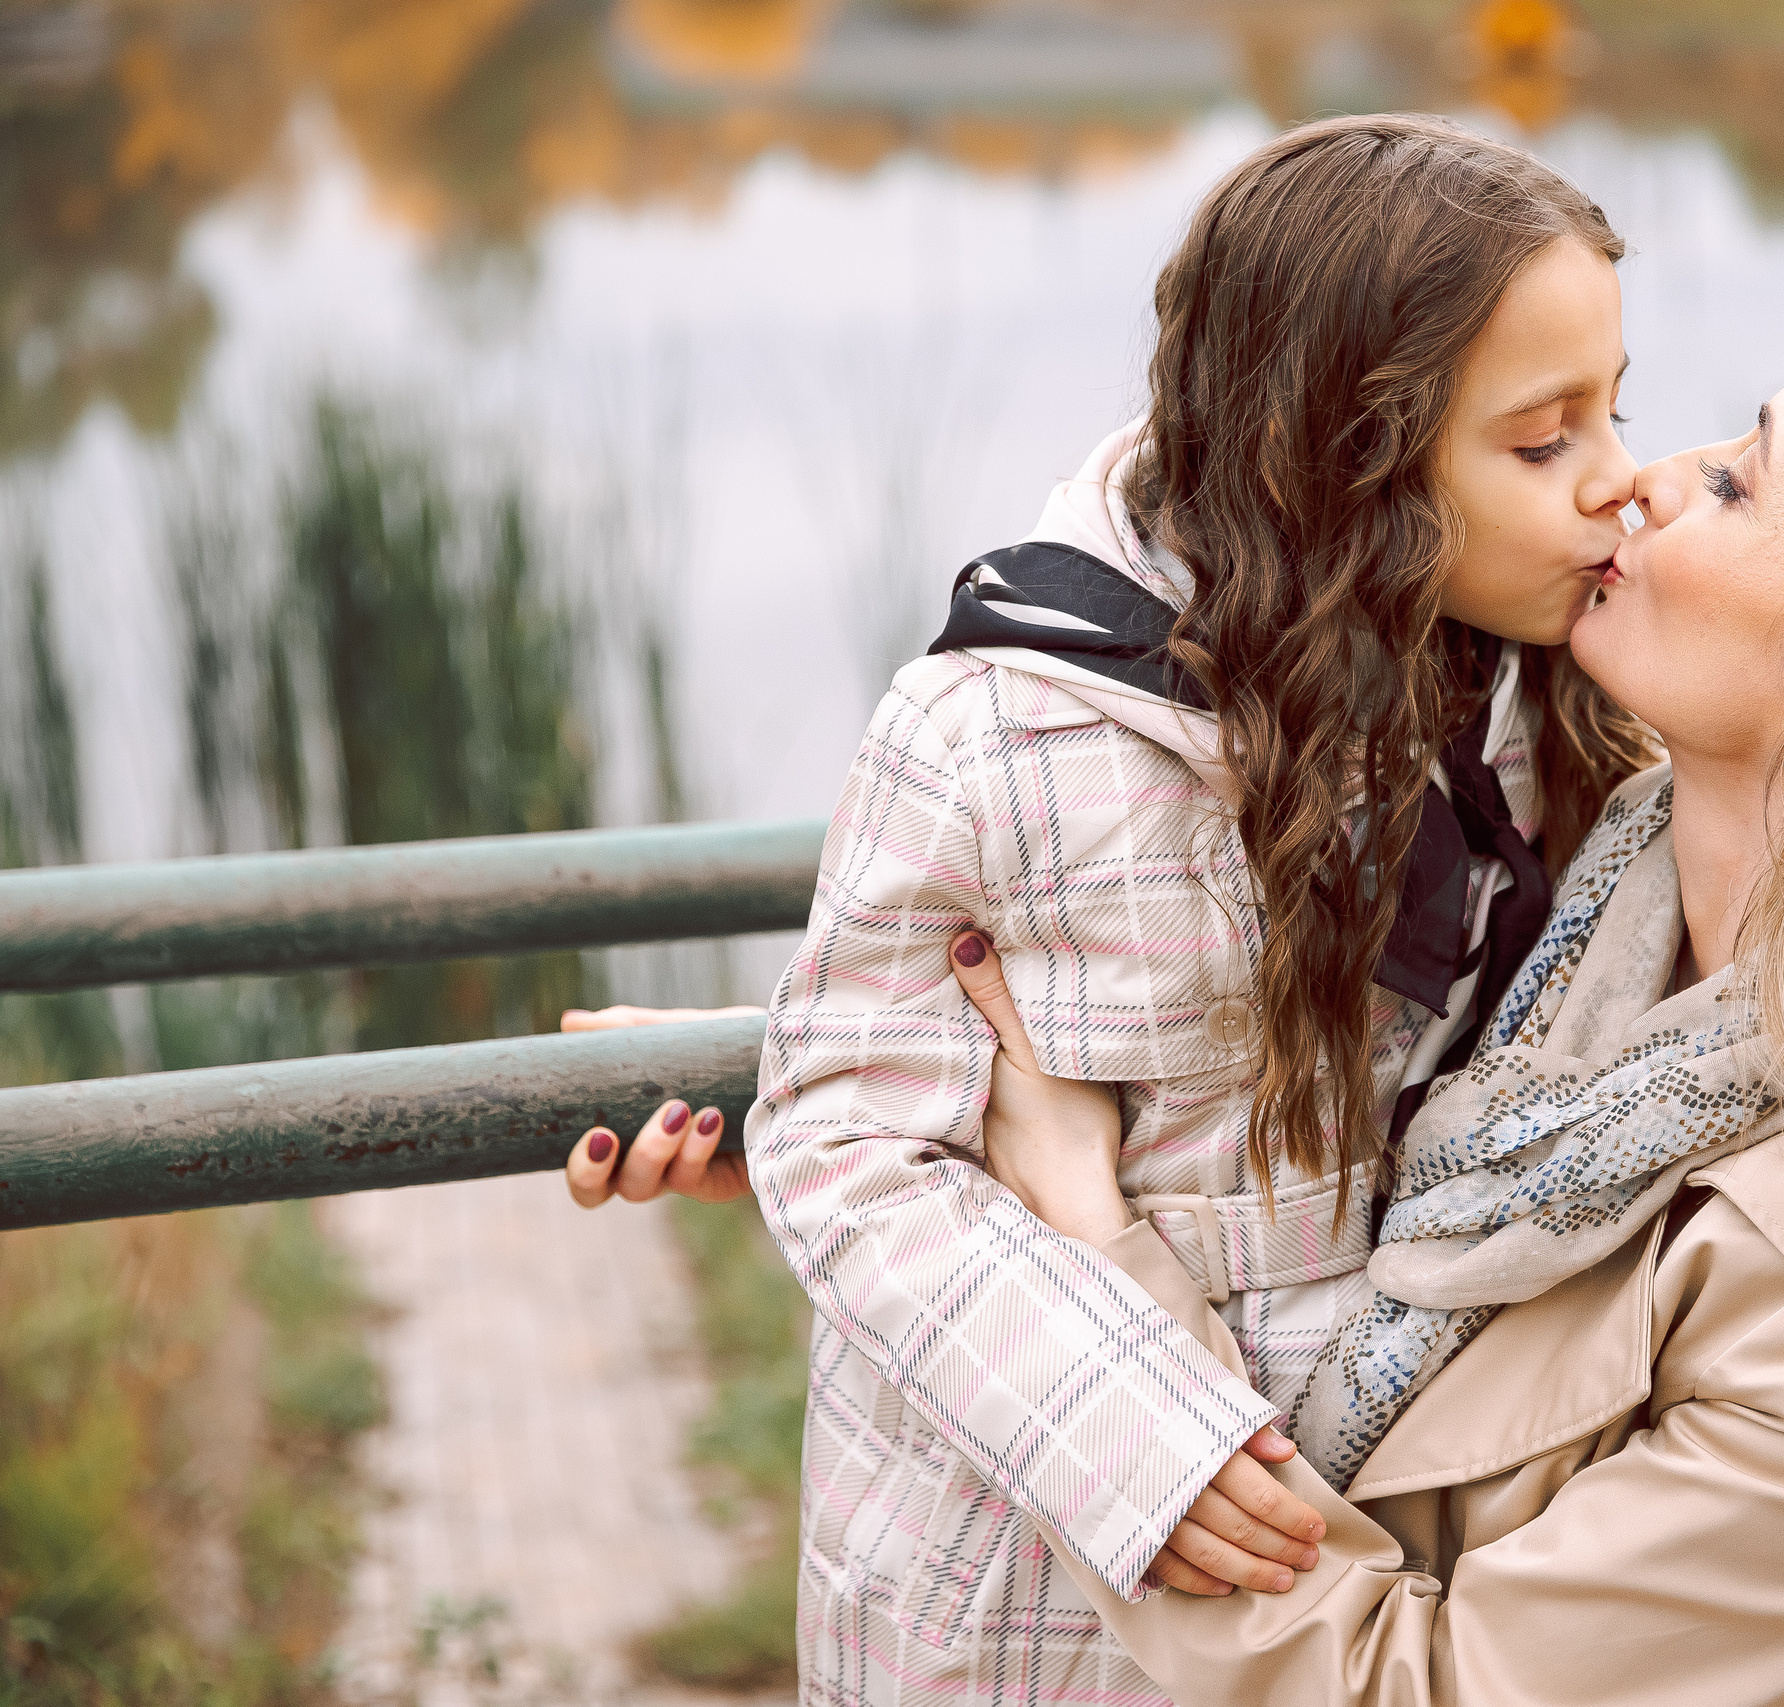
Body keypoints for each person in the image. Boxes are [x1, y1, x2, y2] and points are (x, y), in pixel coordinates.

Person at [938, 290, 1784, 1706]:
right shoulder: (1565, 908)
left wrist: (1079, 1251)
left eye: (1738, 481)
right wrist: (848, 1111)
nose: (1642, 479)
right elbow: (1215, 1091)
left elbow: (1431, 1689)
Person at [555, 114, 1663, 1702]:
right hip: (1038, 1577)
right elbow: (853, 1144)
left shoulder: (1524, 690)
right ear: (1345, 460)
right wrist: (1138, 1440)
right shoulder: (1006, 735)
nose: (1618, 484)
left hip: (1365, 1552)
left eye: (1615, 413)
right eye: (1545, 442)